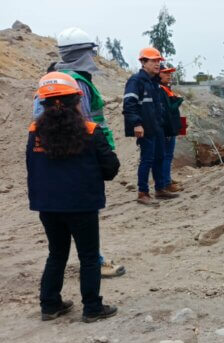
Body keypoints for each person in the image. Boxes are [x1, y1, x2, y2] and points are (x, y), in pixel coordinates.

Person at [33, 27, 125, 278]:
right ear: (83, 53)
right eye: (90, 52)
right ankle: (95, 266)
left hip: (51, 163)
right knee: (84, 221)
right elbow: (81, 127)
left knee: (59, 237)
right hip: (77, 160)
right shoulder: (74, 84)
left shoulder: (50, 82)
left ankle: (52, 298)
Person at [28, 72, 120, 322]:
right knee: (88, 256)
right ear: (76, 100)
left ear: (43, 103)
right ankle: (92, 308)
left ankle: (50, 305)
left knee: (56, 254)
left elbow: (31, 167)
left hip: (47, 206)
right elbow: (110, 168)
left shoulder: (35, 131)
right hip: (82, 205)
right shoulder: (91, 130)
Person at [123, 47, 179, 205]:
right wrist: (137, 124)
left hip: (157, 127)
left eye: (158, 61)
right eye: (153, 61)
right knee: (147, 159)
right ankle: (142, 193)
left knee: (160, 157)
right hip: (145, 128)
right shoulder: (136, 81)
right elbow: (129, 104)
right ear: (143, 62)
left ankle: (160, 188)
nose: (157, 64)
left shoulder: (154, 83)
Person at [158, 62, 185, 193]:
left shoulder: (166, 88)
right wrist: (179, 101)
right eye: (166, 73)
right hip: (166, 128)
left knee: (168, 155)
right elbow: (168, 110)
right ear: (159, 74)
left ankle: (167, 178)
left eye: (170, 73)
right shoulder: (160, 90)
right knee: (166, 155)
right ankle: (166, 183)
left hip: (170, 126)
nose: (169, 75)